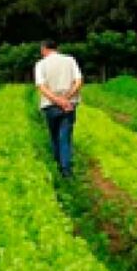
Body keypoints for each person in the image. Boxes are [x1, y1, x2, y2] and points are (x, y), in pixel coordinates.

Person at [35, 39, 83, 178]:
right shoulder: (70, 60)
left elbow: (42, 86)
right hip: (69, 104)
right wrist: (66, 99)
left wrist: (57, 100)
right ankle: (66, 170)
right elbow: (79, 81)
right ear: (57, 48)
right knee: (65, 137)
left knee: (54, 135)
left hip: (51, 105)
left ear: (44, 49)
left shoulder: (41, 64)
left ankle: (58, 165)